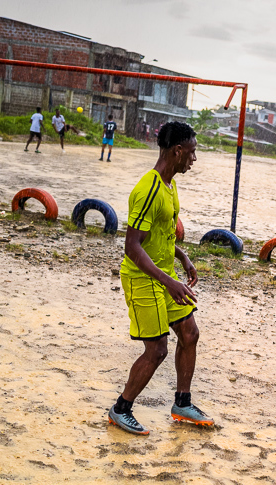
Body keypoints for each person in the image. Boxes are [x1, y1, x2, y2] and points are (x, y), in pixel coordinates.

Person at [110, 121, 213, 435]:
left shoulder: (170, 183)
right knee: (157, 350)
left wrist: (182, 257)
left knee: (190, 334)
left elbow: (162, 233)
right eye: (192, 153)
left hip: (165, 274)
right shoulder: (149, 188)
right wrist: (169, 281)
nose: (194, 160)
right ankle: (121, 408)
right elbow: (132, 247)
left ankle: (182, 403)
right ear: (178, 151)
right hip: (143, 278)